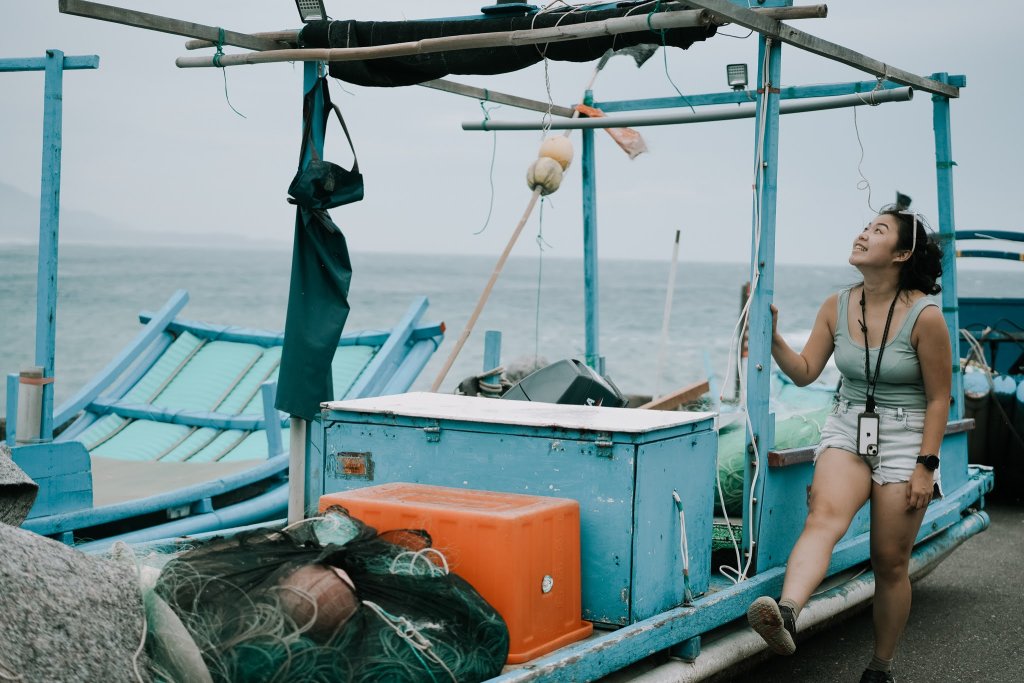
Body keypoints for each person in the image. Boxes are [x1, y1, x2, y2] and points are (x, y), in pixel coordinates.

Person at [746, 204, 950, 683]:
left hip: (908, 436)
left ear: (902, 253)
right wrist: (774, 339)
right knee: (824, 516)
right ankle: (787, 613)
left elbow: (940, 398)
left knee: (889, 561)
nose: (862, 234)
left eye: (878, 230)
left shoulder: (925, 316)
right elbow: (804, 373)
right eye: (864, 227)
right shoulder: (836, 304)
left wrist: (926, 465)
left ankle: (880, 669)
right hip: (848, 425)